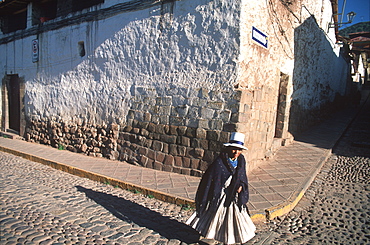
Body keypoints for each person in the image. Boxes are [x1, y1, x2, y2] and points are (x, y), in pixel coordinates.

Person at [186, 132, 256, 244]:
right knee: (217, 216)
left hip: (234, 196)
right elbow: (210, 179)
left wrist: (241, 186)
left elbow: (243, 177)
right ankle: (214, 234)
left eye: (239, 150)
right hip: (222, 195)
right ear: (229, 148)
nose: (236, 152)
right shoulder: (219, 162)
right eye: (234, 149)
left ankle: (231, 237)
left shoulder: (241, 160)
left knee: (234, 217)